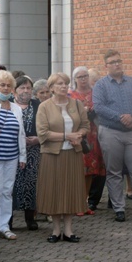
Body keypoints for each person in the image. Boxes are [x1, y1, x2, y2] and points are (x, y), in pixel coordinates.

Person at [92, 50, 132, 222]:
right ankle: (119, 208)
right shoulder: (101, 85)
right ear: (106, 66)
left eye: (119, 61)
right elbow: (98, 107)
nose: (117, 64)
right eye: (112, 62)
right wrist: (120, 117)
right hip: (111, 132)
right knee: (114, 172)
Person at [36, 73, 89, 242]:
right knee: (54, 191)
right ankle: (55, 230)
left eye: (66, 83)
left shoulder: (76, 104)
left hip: (73, 153)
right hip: (52, 155)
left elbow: (85, 125)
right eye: (59, 84)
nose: (64, 86)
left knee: (70, 190)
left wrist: (79, 134)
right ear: (51, 88)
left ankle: (68, 230)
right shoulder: (44, 107)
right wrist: (68, 136)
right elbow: (43, 133)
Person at [0, 71, 26, 240]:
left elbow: (21, 134)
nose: (5, 88)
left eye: (9, 85)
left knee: (7, 192)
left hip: (12, 156)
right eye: (2, 85)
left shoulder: (16, 108)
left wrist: (22, 156)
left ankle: (4, 226)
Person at [69, 66, 105, 215]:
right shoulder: (70, 95)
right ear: (75, 79)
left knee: (92, 170)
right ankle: (77, 202)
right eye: (80, 77)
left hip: (95, 135)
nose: (83, 79)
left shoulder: (96, 93)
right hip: (77, 135)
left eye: (85, 76)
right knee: (79, 170)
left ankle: (86, 203)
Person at [12, 76, 41, 230]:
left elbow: (45, 125)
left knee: (30, 183)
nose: (25, 90)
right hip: (12, 150)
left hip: (33, 150)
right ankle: (7, 220)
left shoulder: (38, 105)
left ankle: (30, 218)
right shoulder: (8, 105)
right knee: (12, 184)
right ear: (15, 90)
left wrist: (39, 139)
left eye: (28, 88)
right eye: (22, 87)